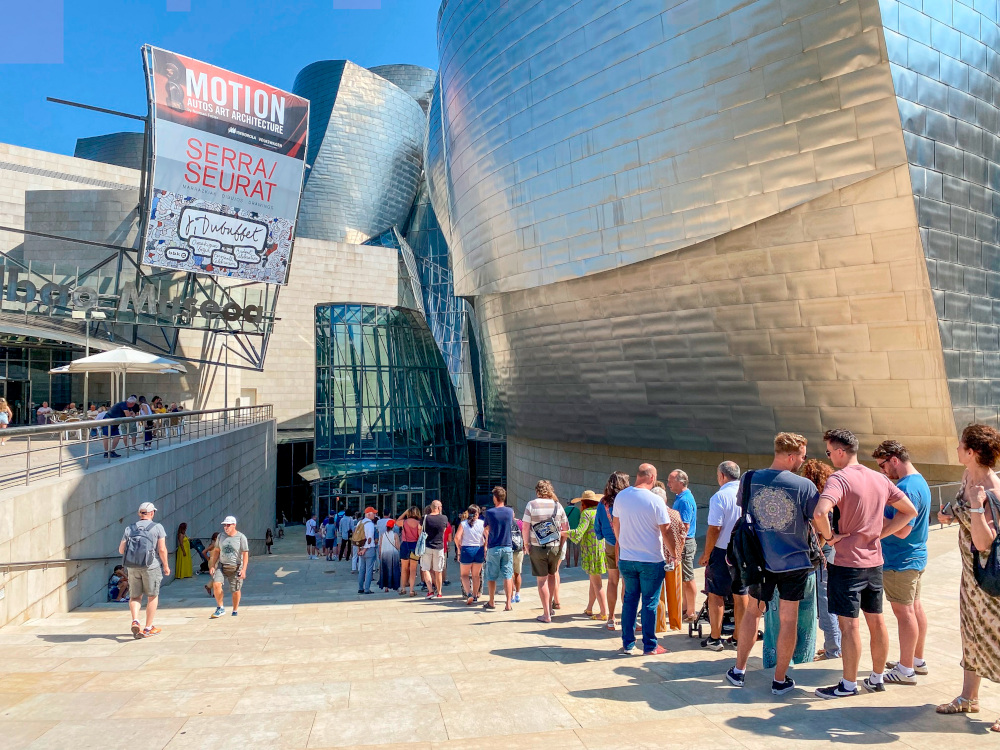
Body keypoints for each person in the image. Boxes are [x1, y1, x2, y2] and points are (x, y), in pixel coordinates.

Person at [813, 428, 916, 699]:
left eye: (828, 452)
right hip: (875, 561)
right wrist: (880, 533)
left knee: (849, 626)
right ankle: (877, 678)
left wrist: (830, 537)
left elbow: (820, 512)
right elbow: (910, 511)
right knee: (877, 621)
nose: (829, 457)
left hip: (847, 563)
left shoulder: (839, 478)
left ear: (839, 452)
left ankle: (847, 685)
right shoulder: (879, 478)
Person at [725, 432, 818, 695]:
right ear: (791, 456)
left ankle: (739, 671)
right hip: (795, 563)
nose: (802, 460)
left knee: (753, 612)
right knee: (788, 620)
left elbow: (742, 508)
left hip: (759, 561)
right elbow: (816, 517)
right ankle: (779, 680)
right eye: (801, 455)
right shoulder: (805, 486)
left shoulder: (750, 478)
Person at [935, 423, 1000, 728]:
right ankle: (968, 697)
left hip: (991, 583)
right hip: (970, 578)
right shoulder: (968, 476)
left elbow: (984, 542)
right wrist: (950, 511)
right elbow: (961, 507)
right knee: (970, 636)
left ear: (972, 452)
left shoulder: (990, 489)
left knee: (996, 641)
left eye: (961, 445)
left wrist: (975, 507)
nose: (957, 449)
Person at [872, 440, 931, 685]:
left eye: (883, 466)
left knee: (904, 612)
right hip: (915, 556)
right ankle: (915, 660)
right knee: (915, 609)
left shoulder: (906, 487)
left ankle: (905, 669)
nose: (883, 471)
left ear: (894, 459)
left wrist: (875, 529)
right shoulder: (920, 481)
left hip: (900, 559)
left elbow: (903, 529)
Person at [613, 463, 672, 655]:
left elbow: (616, 525)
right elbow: (666, 530)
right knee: (649, 602)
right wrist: (674, 554)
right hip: (651, 559)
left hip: (627, 557)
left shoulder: (621, 497)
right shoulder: (655, 501)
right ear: (652, 478)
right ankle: (650, 646)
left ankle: (628, 644)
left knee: (629, 600)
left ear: (637, 476)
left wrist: (622, 544)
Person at [698, 461, 748, 651]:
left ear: (722, 476)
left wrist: (706, 553)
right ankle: (737, 637)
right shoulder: (747, 494)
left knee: (716, 594)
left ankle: (715, 637)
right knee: (741, 593)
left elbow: (715, 529)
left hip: (721, 550)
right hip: (743, 550)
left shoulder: (719, 496)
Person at [800, 459, 841, 662]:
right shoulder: (831, 498)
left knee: (825, 604)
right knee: (828, 601)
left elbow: (821, 532)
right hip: (830, 554)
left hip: (821, 556)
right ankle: (833, 645)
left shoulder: (819, 503)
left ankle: (834, 649)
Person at [119, 501, 169, 638]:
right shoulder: (158, 527)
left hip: (132, 567)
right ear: (152, 513)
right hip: (150, 566)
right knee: (152, 596)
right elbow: (162, 549)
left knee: (135, 596)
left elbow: (121, 550)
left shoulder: (130, 528)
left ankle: (135, 620)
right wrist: (165, 565)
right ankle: (147, 628)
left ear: (139, 513)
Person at [522, 480, 569, 623]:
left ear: (537, 491)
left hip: (537, 546)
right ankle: (551, 607)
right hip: (554, 546)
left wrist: (526, 544)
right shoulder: (558, 505)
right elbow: (565, 528)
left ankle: (546, 614)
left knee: (541, 580)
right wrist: (560, 545)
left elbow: (525, 527)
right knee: (552, 575)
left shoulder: (531, 504)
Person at [595, 471, 629, 630]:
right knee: (627, 582)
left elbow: (598, 527)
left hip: (609, 544)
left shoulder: (603, 502)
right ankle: (628, 617)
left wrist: (604, 535)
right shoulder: (628, 500)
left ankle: (610, 617)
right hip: (627, 544)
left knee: (612, 581)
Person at [568, 490, 607, 621]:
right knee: (593, 582)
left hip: (591, 552)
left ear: (584, 503)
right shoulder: (600, 512)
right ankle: (589, 608)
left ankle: (604, 612)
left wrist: (564, 533)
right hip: (602, 549)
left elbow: (579, 532)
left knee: (597, 583)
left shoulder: (586, 513)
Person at [667, 470, 698, 623]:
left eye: (671, 481)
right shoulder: (681, 497)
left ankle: (691, 611)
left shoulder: (684, 500)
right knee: (685, 578)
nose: (668, 484)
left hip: (685, 543)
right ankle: (686, 609)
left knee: (688, 577)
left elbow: (684, 528)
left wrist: (677, 550)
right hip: (683, 543)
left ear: (680, 482)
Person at [209, 516, 249, 617]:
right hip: (222, 566)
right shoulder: (220, 536)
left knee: (235, 590)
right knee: (216, 584)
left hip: (236, 567)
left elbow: (245, 554)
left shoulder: (241, 537)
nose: (226, 527)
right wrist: (213, 565)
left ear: (234, 525)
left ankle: (235, 609)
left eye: (228, 525)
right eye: (224, 525)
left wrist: (244, 570)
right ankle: (220, 607)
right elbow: (217, 550)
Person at [483, 486, 515, 611]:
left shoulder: (490, 512)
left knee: (491, 576)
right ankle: (508, 603)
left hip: (494, 546)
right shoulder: (509, 512)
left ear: (495, 498)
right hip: (507, 546)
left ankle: (491, 601)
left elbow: (486, 529)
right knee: (507, 575)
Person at [456, 505, 486, 605]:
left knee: (464, 575)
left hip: (467, 549)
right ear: (478, 514)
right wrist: (485, 547)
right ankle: (475, 595)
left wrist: (459, 548)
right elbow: (487, 536)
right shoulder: (482, 523)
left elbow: (457, 537)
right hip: (479, 549)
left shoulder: (463, 524)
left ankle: (468, 593)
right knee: (476, 575)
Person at [419, 501, 450, 597]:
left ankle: (430, 590)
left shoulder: (425, 518)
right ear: (439, 507)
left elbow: (420, 530)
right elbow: (444, 531)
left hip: (427, 546)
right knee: (438, 571)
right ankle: (439, 592)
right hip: (439, 546)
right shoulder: (444, 518)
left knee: (426, 569)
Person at [396, 505, 422, 596]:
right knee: (413, 569)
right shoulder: (419, 523)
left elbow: (396, 522)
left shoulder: (404, 522)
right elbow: (420, 537)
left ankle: (403, 588)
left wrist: (405, 512)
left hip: (405, 545)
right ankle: (411, 590)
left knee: (404, 568)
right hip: (415, 546)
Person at [356, 507, 378, 594]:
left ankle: (360, 587)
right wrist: (364, 550)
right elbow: (369, 539)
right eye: (373, 513)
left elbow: (356, 538)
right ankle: (367, 589)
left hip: (360, 548)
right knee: (369, 570)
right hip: (369, 549)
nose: (375, 515)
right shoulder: (370, 524)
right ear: (369, 514)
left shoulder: (359, 523)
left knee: (362, 569)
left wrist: (359, 549)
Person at [378, 519, 400, 593]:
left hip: (384, 554)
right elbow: (397, 546)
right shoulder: (395, 535)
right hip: (393, 554)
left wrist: (380, 554)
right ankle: (395, 586)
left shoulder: (382, 535)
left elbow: (380, 546)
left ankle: (386, 587)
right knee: (394, 570)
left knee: (385, 570)